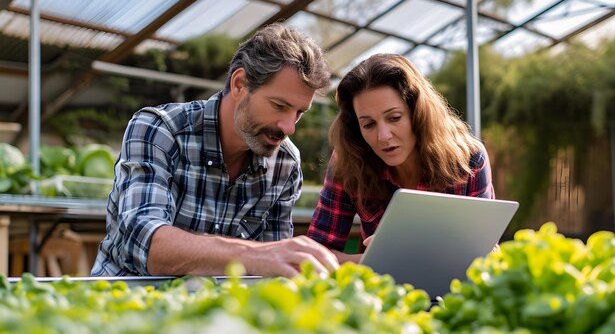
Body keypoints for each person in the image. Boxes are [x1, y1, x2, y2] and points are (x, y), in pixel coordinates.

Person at [92, 23, 339, 278]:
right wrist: (252, 255)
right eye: (279, 105)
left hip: (217, 312)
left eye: (299, 113)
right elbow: (143, 243)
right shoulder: (160, 129)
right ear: (240, 84)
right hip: (128, 300)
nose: (289, 127)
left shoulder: (285, 163)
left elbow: (271, 275)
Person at [307, 53, 495, 263]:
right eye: (368, 124)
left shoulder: (469, 159)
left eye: (394, 118)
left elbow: (483, 251)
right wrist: (375, 261)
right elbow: (316, 253)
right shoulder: (347, 161)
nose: (383, 136)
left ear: (418, 112)